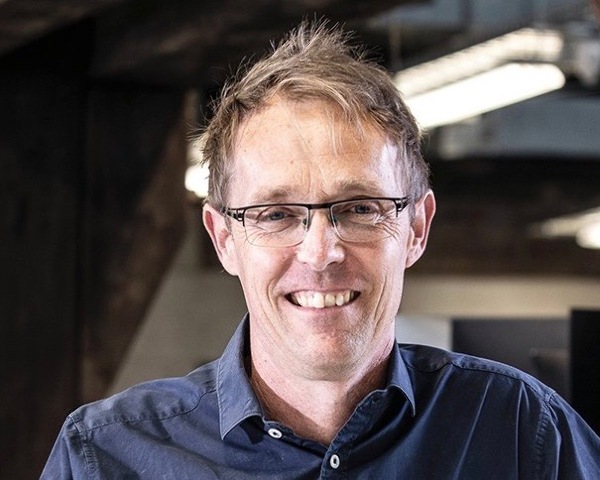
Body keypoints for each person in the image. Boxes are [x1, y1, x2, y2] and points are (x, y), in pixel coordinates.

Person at [41, 20, 600, 479]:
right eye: (275, 214)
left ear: (417, 227)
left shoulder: (524, 435)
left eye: (359, 208)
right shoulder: (105, 458)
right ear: (223, 238)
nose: (320, 252)